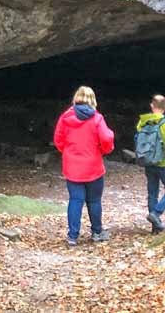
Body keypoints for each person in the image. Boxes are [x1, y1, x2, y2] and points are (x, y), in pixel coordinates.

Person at [53, 86, 115, 246]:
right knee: (94, 201)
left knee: (75, 200)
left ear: (76, 99)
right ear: (92, 100)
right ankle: (96, 232)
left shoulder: (65, 117)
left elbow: (58, 140)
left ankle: (72, 236)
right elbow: (107, 138)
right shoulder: (97, 118)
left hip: (72, 166)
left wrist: (68, 152)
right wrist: (102, 150)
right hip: (93, 165)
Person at [136, 94, 165, 234]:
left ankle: (155, 228)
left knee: (152, 192)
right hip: (164, 163)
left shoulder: (142, 123)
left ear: (151, 106)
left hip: (148, 162)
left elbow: (137, 140)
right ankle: (156, 214)